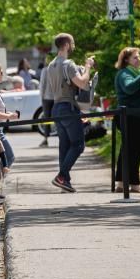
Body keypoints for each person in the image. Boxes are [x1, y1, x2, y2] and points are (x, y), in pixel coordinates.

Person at [42, 33, 95, 193]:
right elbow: (82, 82)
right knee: (78, 145)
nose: (73, 46)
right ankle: (61, 176)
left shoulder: (51, 66)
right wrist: (87, 66)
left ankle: (65, 181)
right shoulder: (68, 64)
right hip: (68, 108)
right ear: (65, 45)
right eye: (72, 43)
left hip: (56, 108)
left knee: (64, 146)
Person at [113, 47, 140, 193]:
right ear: (126, 60)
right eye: (135, 57)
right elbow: (129, 88)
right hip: (130, 117)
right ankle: (135, 185)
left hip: (134, 117)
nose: (139, 59)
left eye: (139, 57)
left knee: (127, 149)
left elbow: (138, 90)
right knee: (134, 150)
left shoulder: (134, 73)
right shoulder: (125, 73)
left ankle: (120, 183)